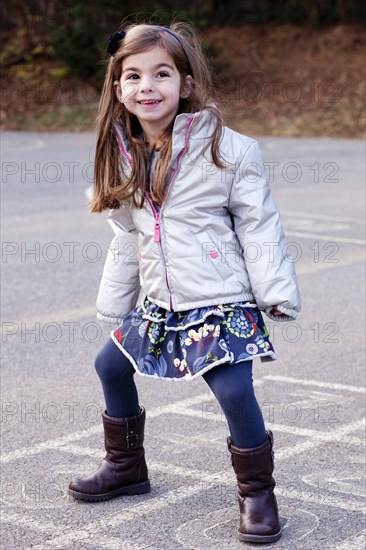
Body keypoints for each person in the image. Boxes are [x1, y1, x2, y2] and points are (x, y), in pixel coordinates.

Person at [68, 22, 301, 544]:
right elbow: (129, 237)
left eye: (162, 73)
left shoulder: (227, 149)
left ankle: (258, 493)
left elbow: (259, 223)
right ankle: (126, 467)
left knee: (234, 389)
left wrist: (277, 292)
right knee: (109, 363)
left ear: (187, 84)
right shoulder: (122, 153)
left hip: (220, 297)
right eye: (133, 75)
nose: (146, 86)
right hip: (161, 301)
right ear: (117, 87)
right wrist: (115, 300)